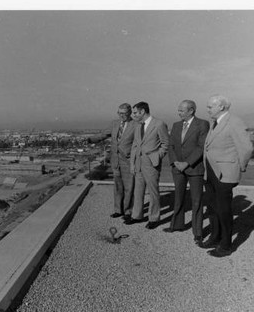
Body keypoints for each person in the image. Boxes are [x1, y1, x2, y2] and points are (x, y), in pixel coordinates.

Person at [201, 95, 253, 257]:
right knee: (212, 206)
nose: (208, 109)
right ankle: (215, 237)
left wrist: (238, 168)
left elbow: (246, 149)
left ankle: (226, 245)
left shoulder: (235, 122)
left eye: (210, 107)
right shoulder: (215, 122)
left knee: (224, 209)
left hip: (225, 174)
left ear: (221, 107)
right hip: (210, 172)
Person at [166, 100, 209, 246]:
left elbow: (201, 147)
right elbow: (171, 145)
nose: (178, 113)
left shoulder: (202, 124)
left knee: (197, 201)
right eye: (178, 110)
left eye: (181, 110)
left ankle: (197, 232)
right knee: (178, 197)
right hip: (177, 168)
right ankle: (177, 225)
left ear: (191, 111)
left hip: (194, 168)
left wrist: (187, 163)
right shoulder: (176, 125)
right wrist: (175, 162)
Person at [88, 103, 137, 220]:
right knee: (118, 187)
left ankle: (128, 211)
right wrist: (90, 139)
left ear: (130, 113)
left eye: (124, 113)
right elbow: (103, 135)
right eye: (120, 113)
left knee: (129, 187)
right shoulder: (114, 124)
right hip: (115, 161)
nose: (122, 116)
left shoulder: (136, 125)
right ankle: (118, 210)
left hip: (128, 161)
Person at [127, 101, 169, 229]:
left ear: (142, 111)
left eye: (135, 112)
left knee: (153, 192)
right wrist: (132, 164)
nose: (133, 115)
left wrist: (157, 156)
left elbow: (165, 144)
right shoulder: (138, 125)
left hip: (151, 164)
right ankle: (136, 216)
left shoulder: (159, 124)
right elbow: (135, 145)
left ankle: (154, 218)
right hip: (138, 163)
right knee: (138, 191)